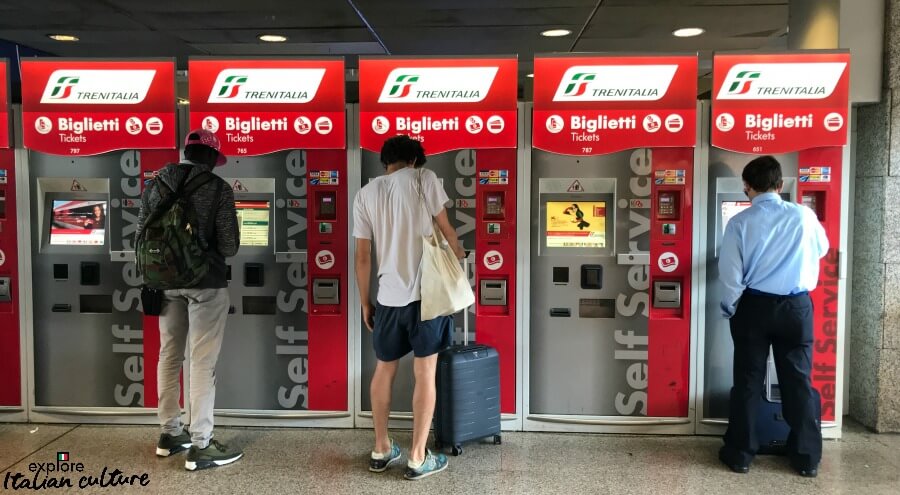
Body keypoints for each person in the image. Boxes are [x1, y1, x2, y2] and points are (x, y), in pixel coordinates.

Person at [353, 135, 465, 480]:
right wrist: (459, 260)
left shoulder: (366, 194)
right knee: (425, 372)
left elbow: (362, 256)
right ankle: (417, 457)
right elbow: (447, 231)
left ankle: (381, 448)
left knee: (384, 369)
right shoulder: (424, 179)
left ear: (386, 162)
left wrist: (365, 302)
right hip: (426, 296)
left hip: (388, 298)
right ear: (415, 160)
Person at [137, 129, 243, 471]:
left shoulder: (156, 184)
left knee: (169, 356)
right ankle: (202, 444)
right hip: (205, 283)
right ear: (210, 157)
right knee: (201, 362)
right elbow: (229, 246)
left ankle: (170, 434)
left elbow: (140, 234)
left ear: (185, 152)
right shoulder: (217, 188)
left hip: (164, 282)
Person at [717, 155, 828, 478]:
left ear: (746, 186)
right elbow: (821, 249)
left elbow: (731, 274)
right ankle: (806, 458)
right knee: (797, 381)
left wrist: (730, 307)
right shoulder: (804, 215)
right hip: (796, 307)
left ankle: (740, 454)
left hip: (754, 307)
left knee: (748, 380)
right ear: (780, 185)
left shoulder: (739, 223)